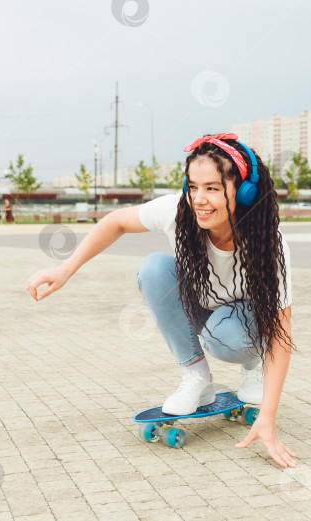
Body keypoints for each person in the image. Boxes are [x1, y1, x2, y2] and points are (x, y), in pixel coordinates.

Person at [26, 133, 296, 468]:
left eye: (212, 188)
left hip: (244, 323)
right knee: (154, 268)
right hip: (202, 306)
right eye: (192, 186)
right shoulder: (177, 211)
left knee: (225, 337)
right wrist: (67, 268)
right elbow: (116, 221)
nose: (199, 198)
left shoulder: (270, 245)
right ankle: (198, 378)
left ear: (243, 192)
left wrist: (267, 416)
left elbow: (281, 336)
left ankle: (251, 368)